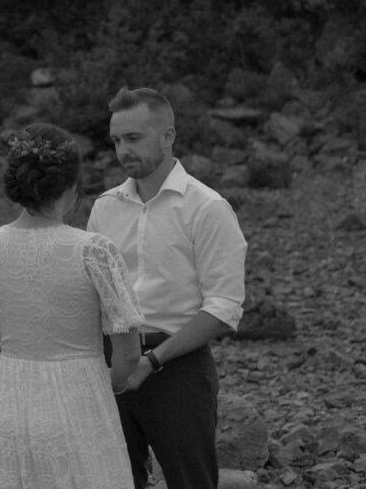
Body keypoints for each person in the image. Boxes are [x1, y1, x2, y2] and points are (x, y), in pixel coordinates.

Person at [0, 123, 144, 489]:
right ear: (70, 186)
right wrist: (110, 387)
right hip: (81, 394)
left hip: (12, 398)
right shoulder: (95, 250)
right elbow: (127, 354)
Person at [87, 87, 248, 489]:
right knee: (115, 481)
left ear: (168, 136)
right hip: (108, 360)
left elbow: (224, 307)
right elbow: (89, 293)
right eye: (117, 141)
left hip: (179, 368)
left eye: (134, 138)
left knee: (191, 482)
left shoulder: (207, 208)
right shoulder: (105, 207)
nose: (123, 150)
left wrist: (152, 361)